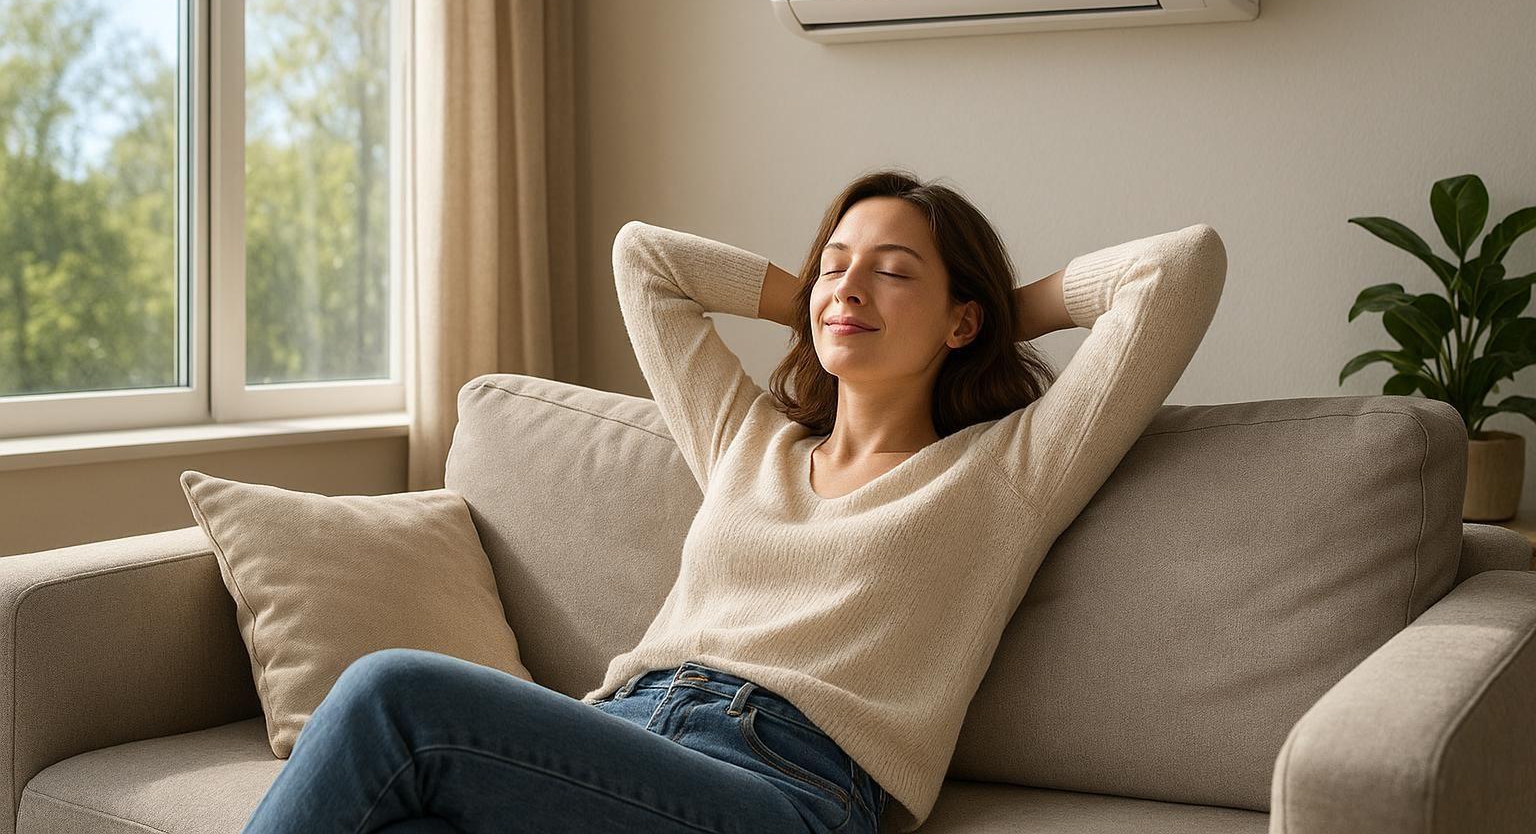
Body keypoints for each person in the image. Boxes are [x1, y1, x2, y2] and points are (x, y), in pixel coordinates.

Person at [241, 168, 1227, 833]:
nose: (851, 288)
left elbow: (1176, 270)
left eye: (895, 273)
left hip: (782, 787)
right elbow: (645, 260)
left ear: (963, 317)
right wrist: (813, 291)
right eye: (835, 265)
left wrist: (1003, 311)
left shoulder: (1005, 471)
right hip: (621, 738)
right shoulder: (748, 440)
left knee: (391, 693)